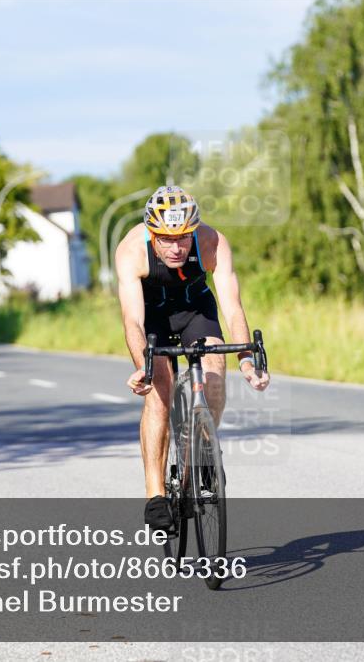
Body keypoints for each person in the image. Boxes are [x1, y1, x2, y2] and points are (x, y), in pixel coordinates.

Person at [114, 186, 270, 530]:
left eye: (183, 238)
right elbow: (133, 320)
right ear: (152, 232)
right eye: (166, 239)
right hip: (152, 316)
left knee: (215, 370)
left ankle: (194, 466)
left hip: (194, 310)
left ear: (194, 231)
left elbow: (232, 307)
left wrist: (246, 359)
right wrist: (145, 366)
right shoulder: (130, 250)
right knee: (160, 396)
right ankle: (155, 493)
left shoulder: (213, 242)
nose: (175, 247)